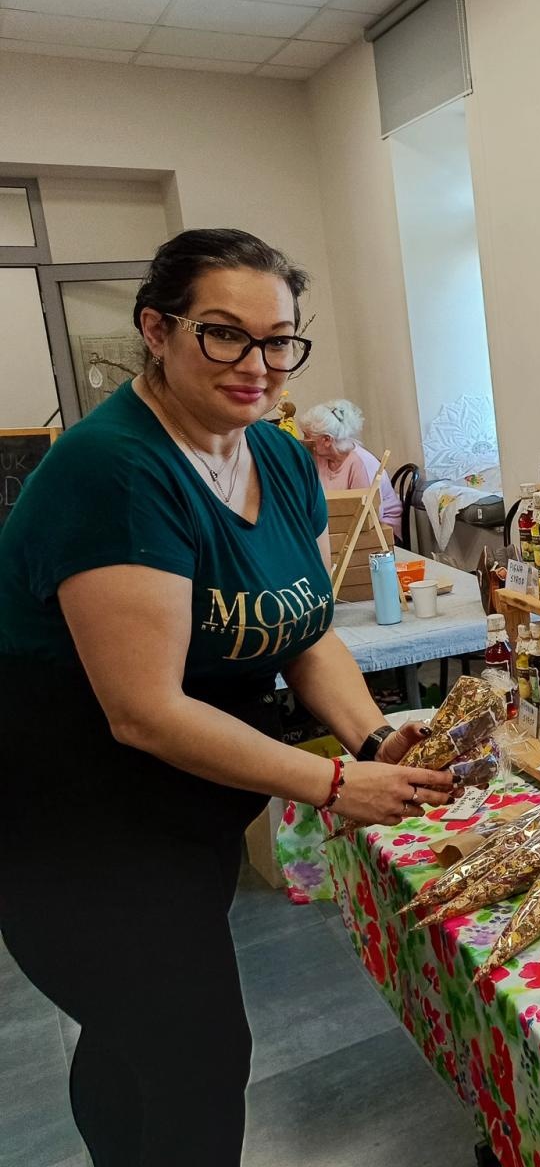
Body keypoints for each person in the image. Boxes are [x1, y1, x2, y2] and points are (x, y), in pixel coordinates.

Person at [0, 229, 457, 1166]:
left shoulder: (280, 459)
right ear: (156, 331)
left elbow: (308, 632)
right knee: (200, 1058)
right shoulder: (114, 469)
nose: (258, 366)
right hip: (75, 828)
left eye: (280, 339)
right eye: (225, 335)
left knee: (137, 1041)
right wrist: (331, 787)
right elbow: (145, 710)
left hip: (185, 813)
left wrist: (372, 742)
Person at [299, 398, 403, 537]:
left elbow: (367, 516)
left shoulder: (360, 463)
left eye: (307, 436)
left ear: (327, 440)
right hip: (342, 527)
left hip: (379, 533)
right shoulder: (320, 458)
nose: (303, 440)